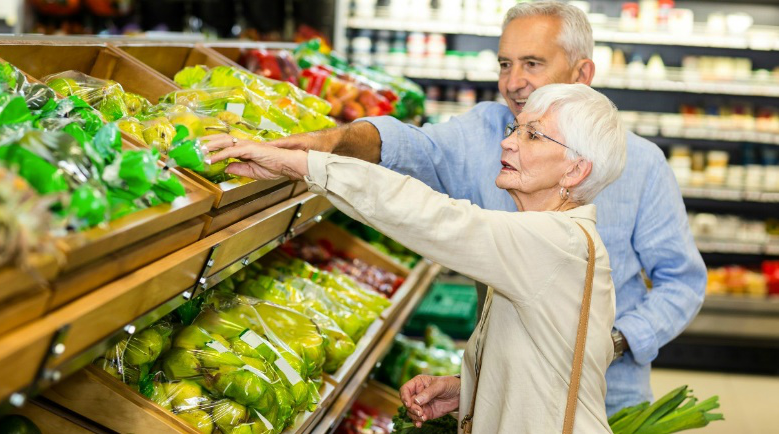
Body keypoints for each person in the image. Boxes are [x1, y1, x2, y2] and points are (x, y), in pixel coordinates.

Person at [206, 0, 706, 415]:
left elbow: (434, 219)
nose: (513, 83)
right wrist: (471, 385)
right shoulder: (496, 141)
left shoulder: (563, 226)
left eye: (532, 64)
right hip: (520, 397)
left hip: (606, 399)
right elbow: (412, 146)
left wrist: (607, 344)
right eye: (504, 64)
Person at [207, 83, 626, 432]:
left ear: (575, 171)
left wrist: (306, 165)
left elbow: (435, 218)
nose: (508, 142)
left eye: (532, 135)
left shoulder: (555, 242)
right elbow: (554, 358)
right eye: (516, 128)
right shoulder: (558, 240)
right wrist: (470, 389)